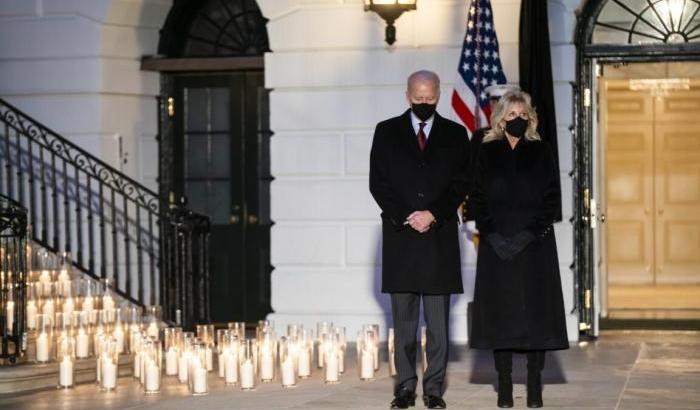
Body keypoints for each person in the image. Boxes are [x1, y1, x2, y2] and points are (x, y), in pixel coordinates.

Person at [369, 70, 471, 409]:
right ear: (407, 94)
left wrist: (434, 214)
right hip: (401, 238)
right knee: (404, 322)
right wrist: (406, 215)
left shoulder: (457, 134)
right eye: (418, 98)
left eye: (429, 98)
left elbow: (462, 183)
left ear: (439, 94)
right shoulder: (386, 132)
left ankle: (434, 390)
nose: (424, 103)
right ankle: (404, 387)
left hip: (438, 238)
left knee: (439, 327)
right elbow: (378, 182)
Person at [469, 90, 569, 408]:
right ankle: (504, 385)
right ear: (499, 119)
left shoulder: (541, 150)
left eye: (522, 115)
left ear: (530, 119)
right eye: (510, 115)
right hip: (496, 247)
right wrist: (493, 236)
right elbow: (477, 198)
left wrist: (527, 235)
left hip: (534, 246)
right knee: (502, 317)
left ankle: (536, 385)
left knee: (536, 318)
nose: (516, 120)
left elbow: (552, 198)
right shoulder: (486, 152)